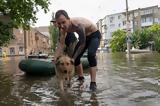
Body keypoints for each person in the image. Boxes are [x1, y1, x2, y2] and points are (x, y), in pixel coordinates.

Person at [54, 10, 101, 91]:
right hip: (84, 38)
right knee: (76, 58)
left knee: (90, 54)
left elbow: (82, 43)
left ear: (68, 19)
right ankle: (81, 77)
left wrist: (73, 58)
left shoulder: (78, 25)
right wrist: (56, 58)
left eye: (63, 22)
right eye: (59, 23)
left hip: (94, 35)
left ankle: (93, 83)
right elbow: (61, 45)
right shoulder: (62, 29)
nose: (61, 26)